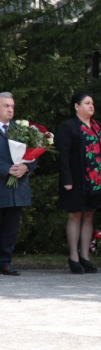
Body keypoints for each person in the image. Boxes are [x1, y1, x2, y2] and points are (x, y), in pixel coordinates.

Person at [56, 92, 101, 274]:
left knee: (89, 216)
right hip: (76, 180)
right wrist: (66, 179)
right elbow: (63, 155)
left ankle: (85, 257)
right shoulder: (68, 127)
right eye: (87, 103)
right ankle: (73, 258)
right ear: (76, 106)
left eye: (92, 103)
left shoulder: (98, 126)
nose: (91, 106)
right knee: (75, 215)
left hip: (97, 181)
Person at [0, 92, 37, 276]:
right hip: (1, 184)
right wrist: (6, 169)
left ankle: (5, 262)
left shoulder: (22, 130)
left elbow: (34, 153)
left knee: (10, 227)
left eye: (12, 106)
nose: (10, 109)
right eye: (6, 106)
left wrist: (25, 168)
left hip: (16, 189)